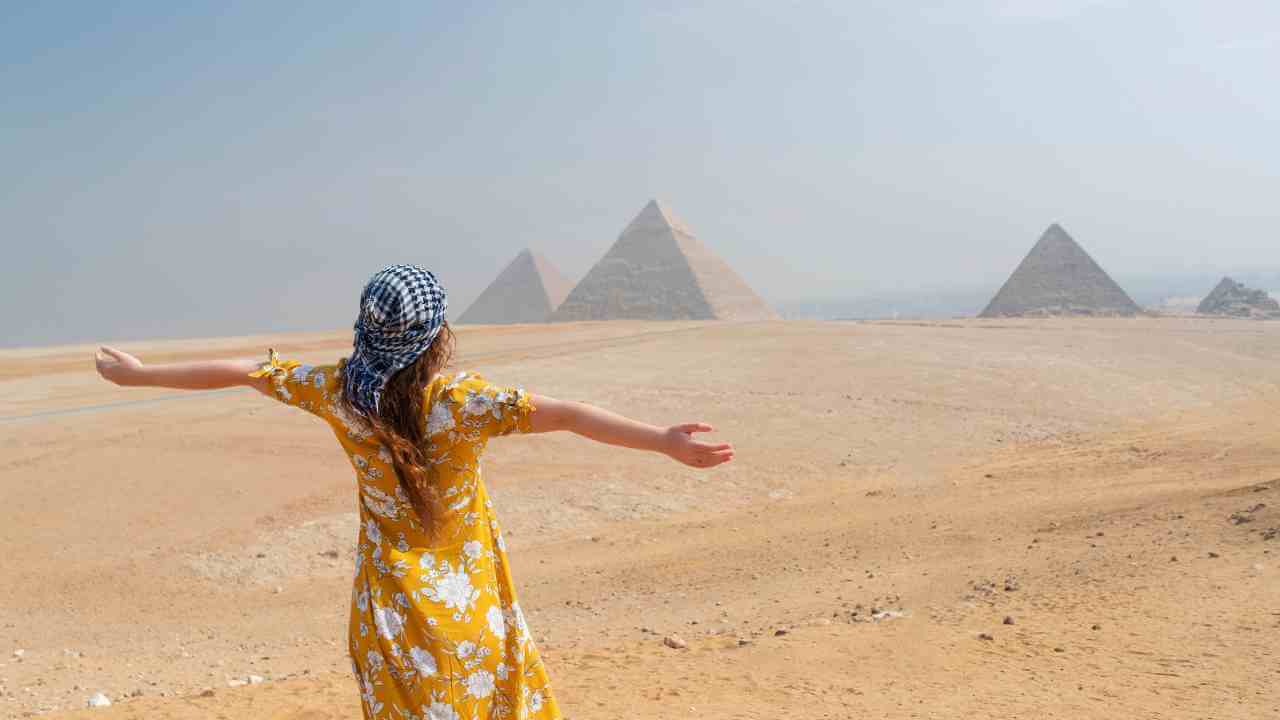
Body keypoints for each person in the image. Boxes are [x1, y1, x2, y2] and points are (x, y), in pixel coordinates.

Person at [94, 264, 734, 720]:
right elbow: (571, 414)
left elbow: (245, 371)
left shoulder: (334, 390)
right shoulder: (466, 403)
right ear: (437, 336)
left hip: (390, 612)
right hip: (474, 607)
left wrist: (140, 376)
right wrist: (665, 441)